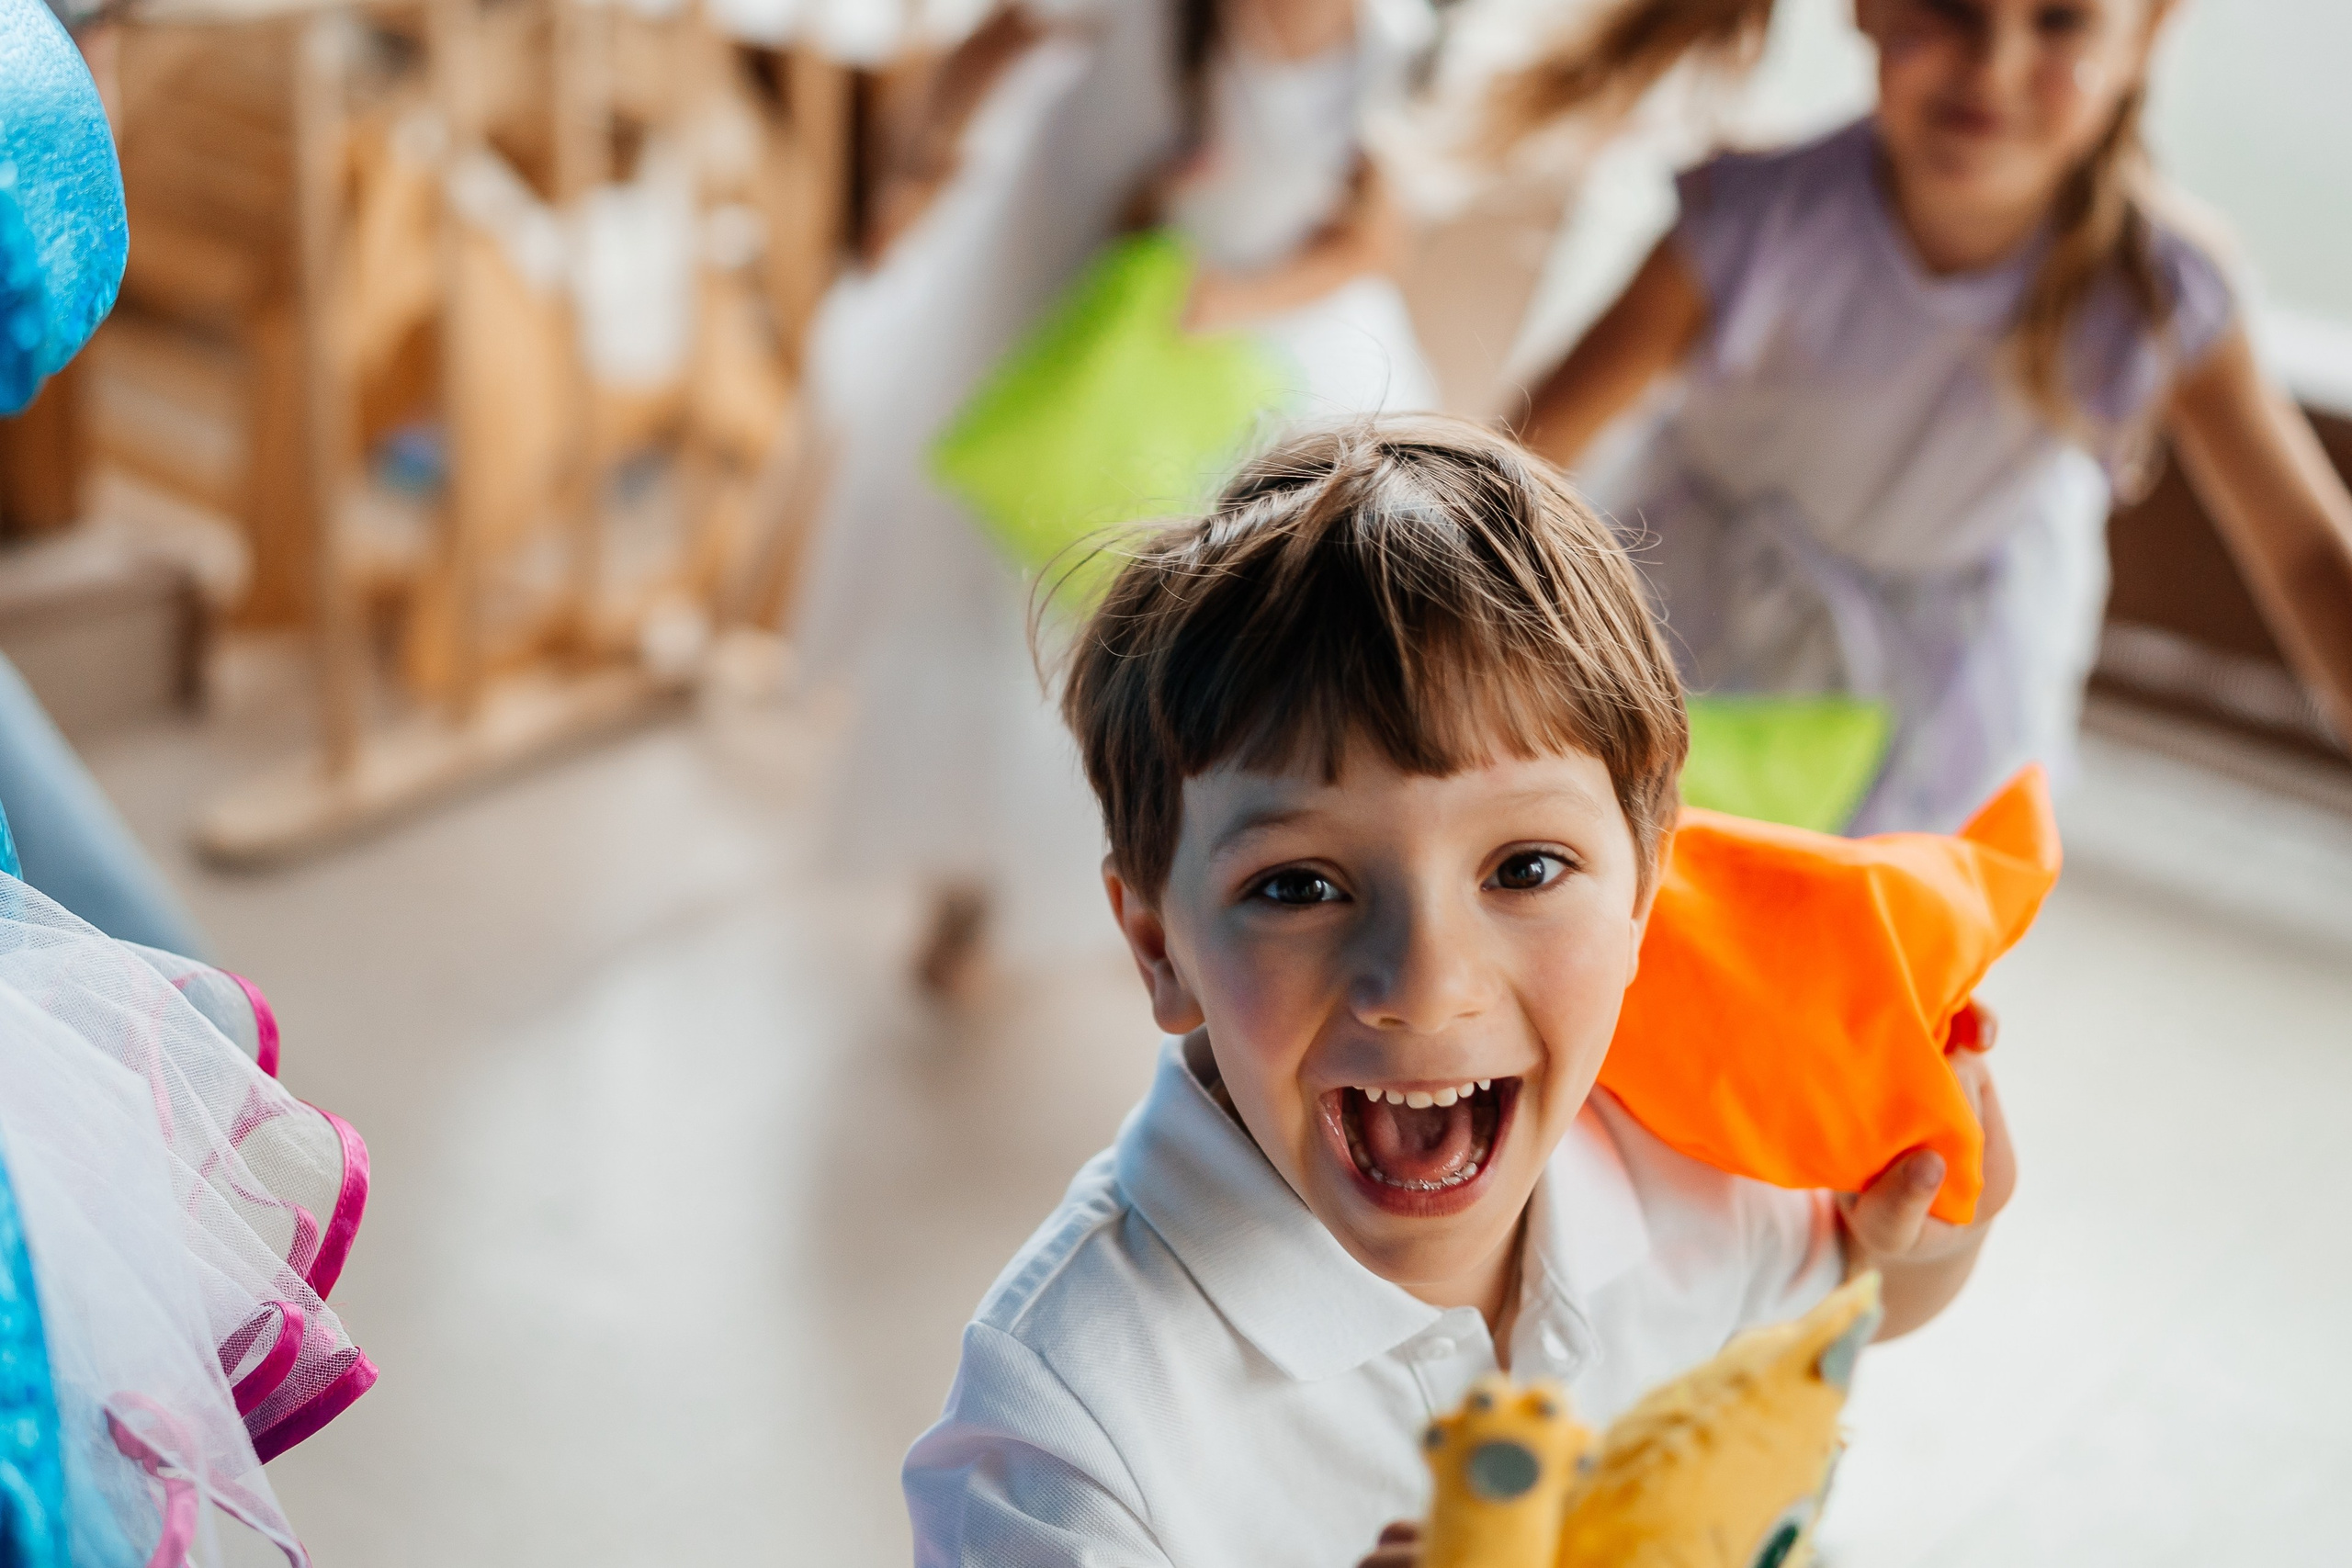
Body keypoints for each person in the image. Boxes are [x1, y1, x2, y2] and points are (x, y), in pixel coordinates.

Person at [900, 418, 2014, 1566]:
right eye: (1299, 885)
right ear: (1158, 945)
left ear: (1645, 890)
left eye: (1525, 869)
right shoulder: (1066, 1427)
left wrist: (1929, 1234)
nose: (1426, 987)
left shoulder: (1680, 1153)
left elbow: (1839, 1301)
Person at [1490, 0, 2352, 832]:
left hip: (1936, 710)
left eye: (2061, 19)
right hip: (1693, 633)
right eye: (1950, 7)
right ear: (1867, 6)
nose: (1993, 66)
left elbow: (2309, 557)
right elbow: (1520, 459)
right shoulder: (1750, 222)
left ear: (2150, 29)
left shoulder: (2160, 293)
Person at [787, 0, 1437, 997]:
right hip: (1065, 306)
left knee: (1176, 618)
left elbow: (1370, 237)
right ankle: (965, 878)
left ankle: (1164, 878)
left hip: (1241, 348)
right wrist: (918, 166)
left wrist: (1224, 303)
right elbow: (1000, 33)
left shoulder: (1383, 50)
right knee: (1009, 593)